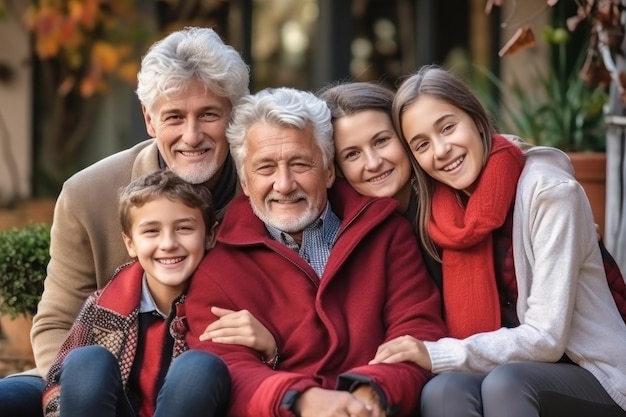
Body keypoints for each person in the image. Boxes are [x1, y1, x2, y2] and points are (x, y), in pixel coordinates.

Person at [0, 27, 275, 417]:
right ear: (149, 119)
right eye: (174, 117)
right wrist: (78, 397)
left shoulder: (269, 193)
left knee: (197, 378)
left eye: (209, 114)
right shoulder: (87, 193)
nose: (192, 135)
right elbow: (57, 323)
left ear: (234, 116)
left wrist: (270, 347)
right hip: (101, 386)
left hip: (214, 382)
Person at [369, 65, 626, 416]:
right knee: (444, 389)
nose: (441, 150)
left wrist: (435, 353)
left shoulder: (549, 192)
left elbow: (547, 339)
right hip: (507, 370)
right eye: (422, 144)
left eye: (448, 127)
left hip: (595, 373)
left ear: (476, 119)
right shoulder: (439, 213)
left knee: (506, 384)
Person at [183, 86, 447, 417]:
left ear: (328, 170)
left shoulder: (388, 236)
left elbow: (418, 331)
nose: (284, 184)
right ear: (246, 182)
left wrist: (370, 392)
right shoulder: (217, 267)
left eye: (299, 163)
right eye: (265, 168)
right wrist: (302, 400)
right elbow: (228, 367)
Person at [42, 169, 229, 417]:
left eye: (184, 228)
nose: (168, 243)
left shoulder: (225, 303)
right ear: (130, 243)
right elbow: (57, 380)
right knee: (86, 360)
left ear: (209, 236)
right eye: (152, 231)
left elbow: (245, 376)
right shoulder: (104, 305)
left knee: (199, 368)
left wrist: (270, 351)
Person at [317, 81, 441, 286]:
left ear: (405, 135)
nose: (374, 163)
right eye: (352, 154)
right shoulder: (333, 236)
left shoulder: (453, 201)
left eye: (381, 141)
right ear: (335, 168)